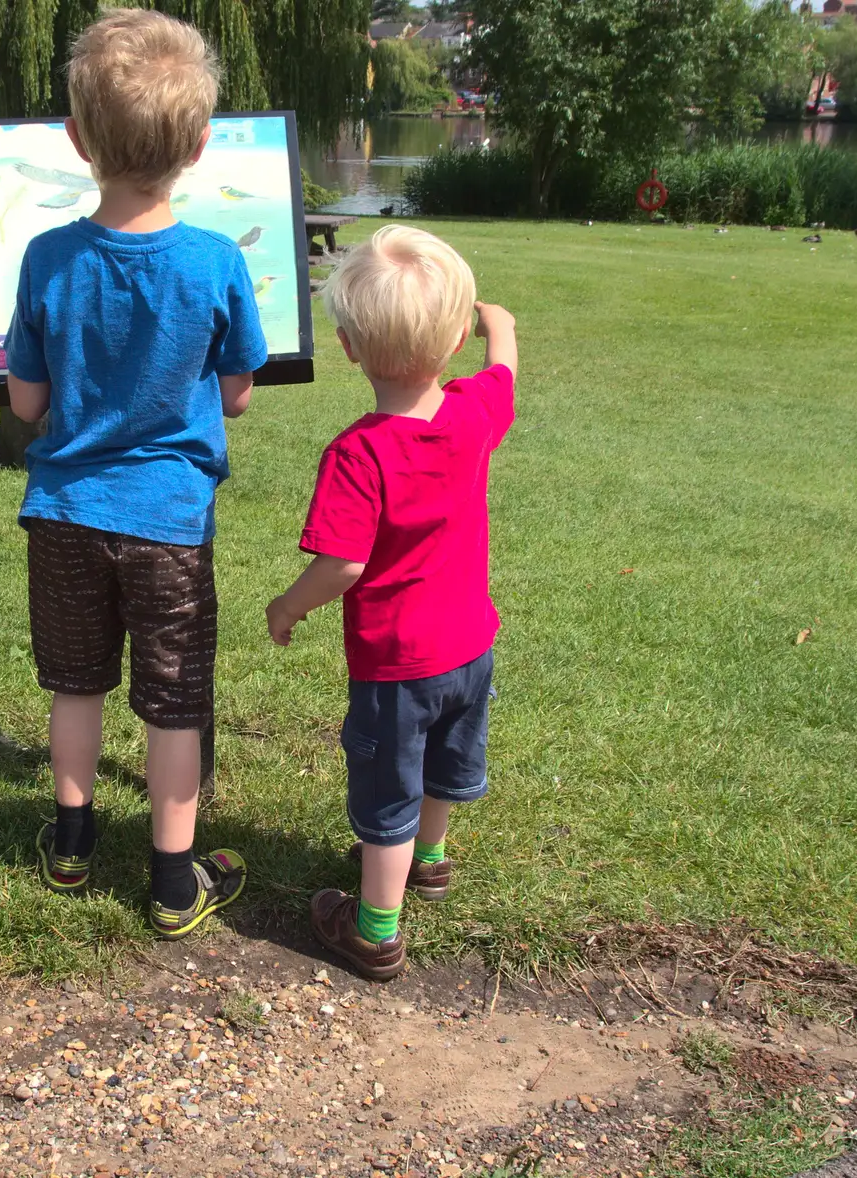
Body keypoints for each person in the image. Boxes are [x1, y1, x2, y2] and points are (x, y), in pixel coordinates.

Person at [4, 9, 267, 939]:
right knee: (172, 698)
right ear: (199, 147)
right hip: (169, 522)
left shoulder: (47, 259)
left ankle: (72, 844)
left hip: (66, 512)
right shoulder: (216, 262)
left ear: (78, 140)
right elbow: (237, 393)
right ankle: (169, 881)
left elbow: (27, 405)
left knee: (75, 684)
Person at [265, 225, 517, 981]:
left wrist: (287, 605)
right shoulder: (474, 413)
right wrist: (495, 322)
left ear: (348, 348)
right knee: (444, 760)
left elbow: (342, 563)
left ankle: (374, 928)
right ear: (452, 344)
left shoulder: (358, 453)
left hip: (396, 666)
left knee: (387, 786)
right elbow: (503, 361)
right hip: (471, 646)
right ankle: (430, 863)